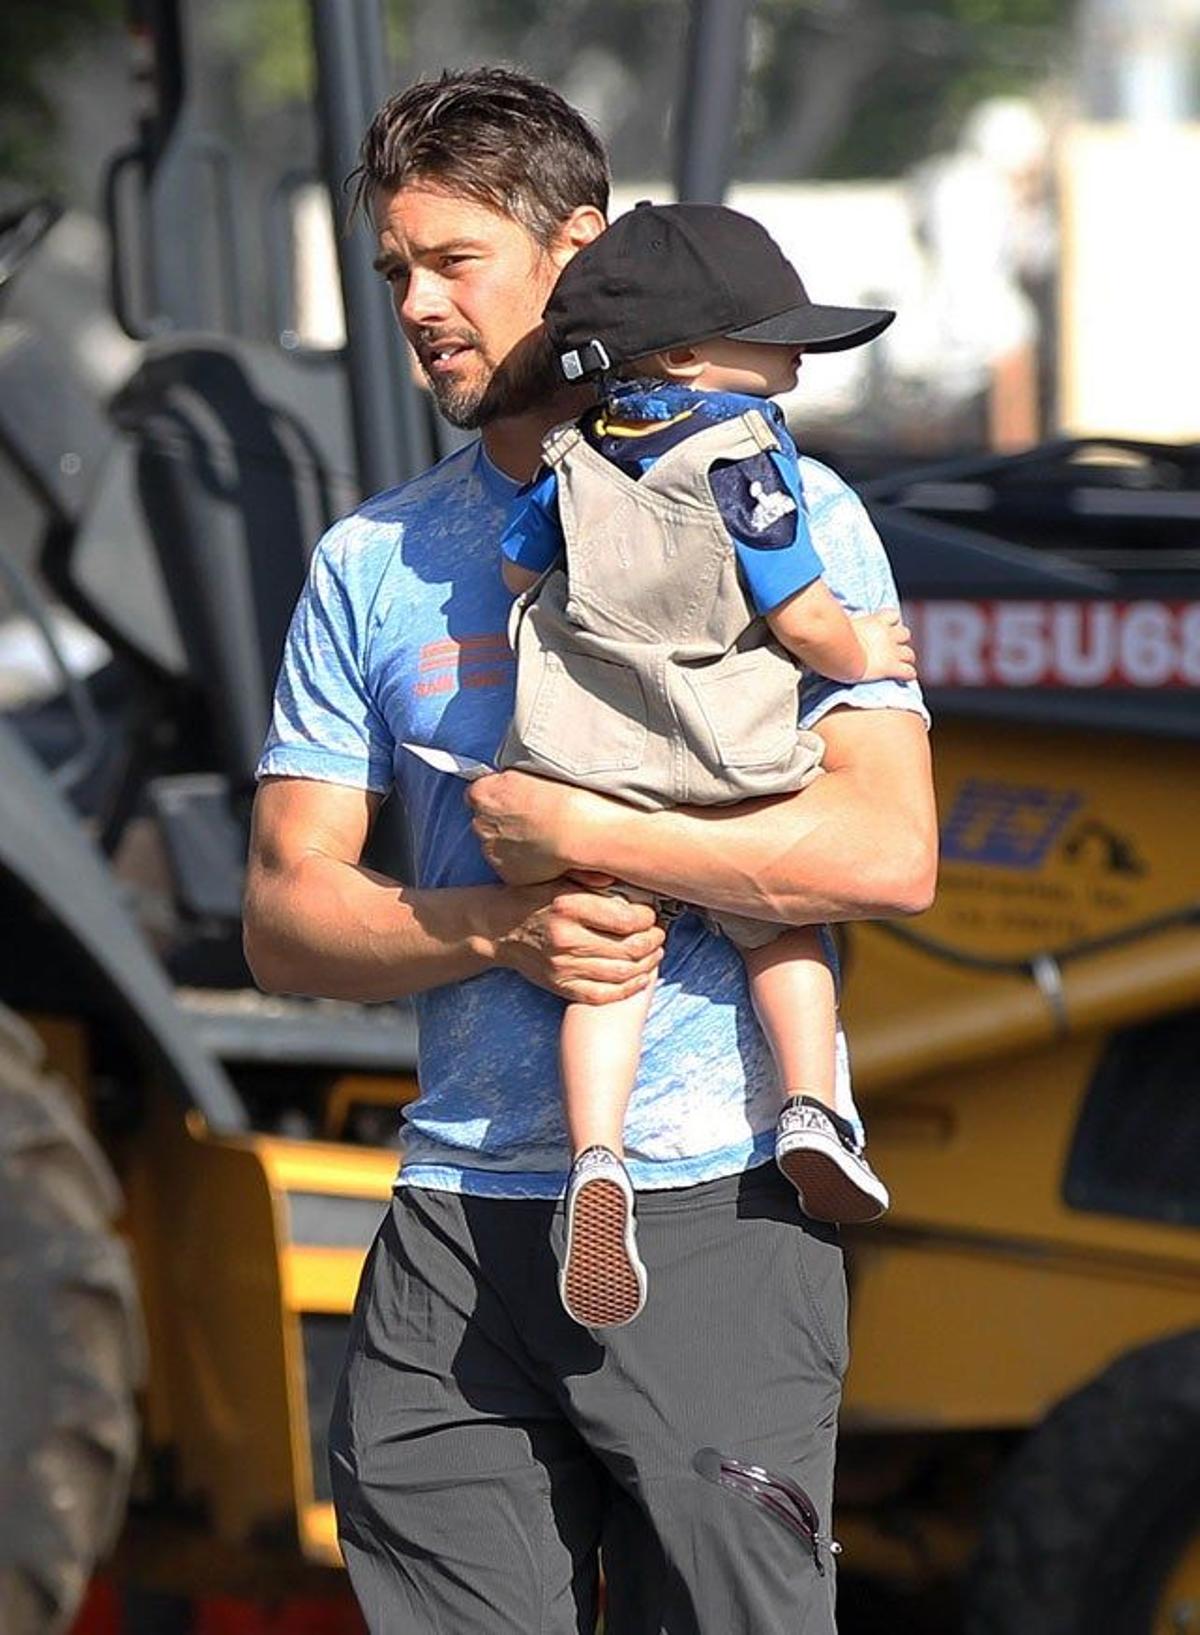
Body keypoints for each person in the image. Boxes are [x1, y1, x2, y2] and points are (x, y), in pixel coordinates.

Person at [243, 65, 936, 1635]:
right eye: (393, 272)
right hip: (450, 1232)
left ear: (581, 246)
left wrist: (590, 833)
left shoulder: (796, 508)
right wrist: (495, 928)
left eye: (453, 261)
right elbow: (286, 917)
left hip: (720, 1213)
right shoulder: (372, 564)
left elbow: (888, 852)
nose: (418, 305)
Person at [495, 201, 915, 1330]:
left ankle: (595, 1158)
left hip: (587, 759)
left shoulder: (569, 455)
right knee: (782, 928)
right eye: (773, 337)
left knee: (608, 968)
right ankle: (814, 1107)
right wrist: (863, 647)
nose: (792, 359)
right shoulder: (747, 452)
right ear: (685, 355)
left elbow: (518, 574)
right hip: (726, 753)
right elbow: (798, 602)